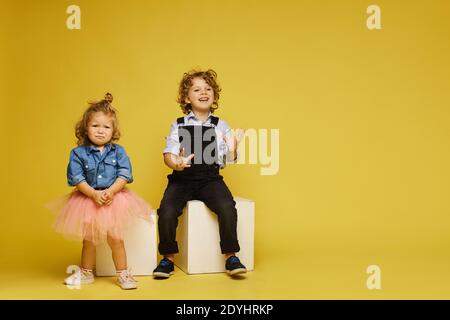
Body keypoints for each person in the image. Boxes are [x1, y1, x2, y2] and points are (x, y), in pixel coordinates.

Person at [52, 93, 152, 289]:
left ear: (113, 130)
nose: (100, 131)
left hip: (114, 198)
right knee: (88, 240)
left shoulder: (119, 151)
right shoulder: (78, 153)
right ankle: (86, 273)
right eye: (95, 126)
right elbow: (77, 178)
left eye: (106, 127)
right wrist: (93, 194)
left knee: (116, 239)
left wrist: (112, 191)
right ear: (85, 128)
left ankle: (123, 274)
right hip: (88, 198)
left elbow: (125, 174)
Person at [153, 69, 247, 278]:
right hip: (181, 179)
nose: (203, 92)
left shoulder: (221, 125)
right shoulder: (179, 124)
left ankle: (231, 256)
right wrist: (175, 163)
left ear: (214, 95)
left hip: (210, 179)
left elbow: (228, 160)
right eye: (197, 89)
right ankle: (167, 259)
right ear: (187, 98)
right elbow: (168, 153)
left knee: (227, 207)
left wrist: (233, 149)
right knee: (166, 211)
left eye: (208, 89)